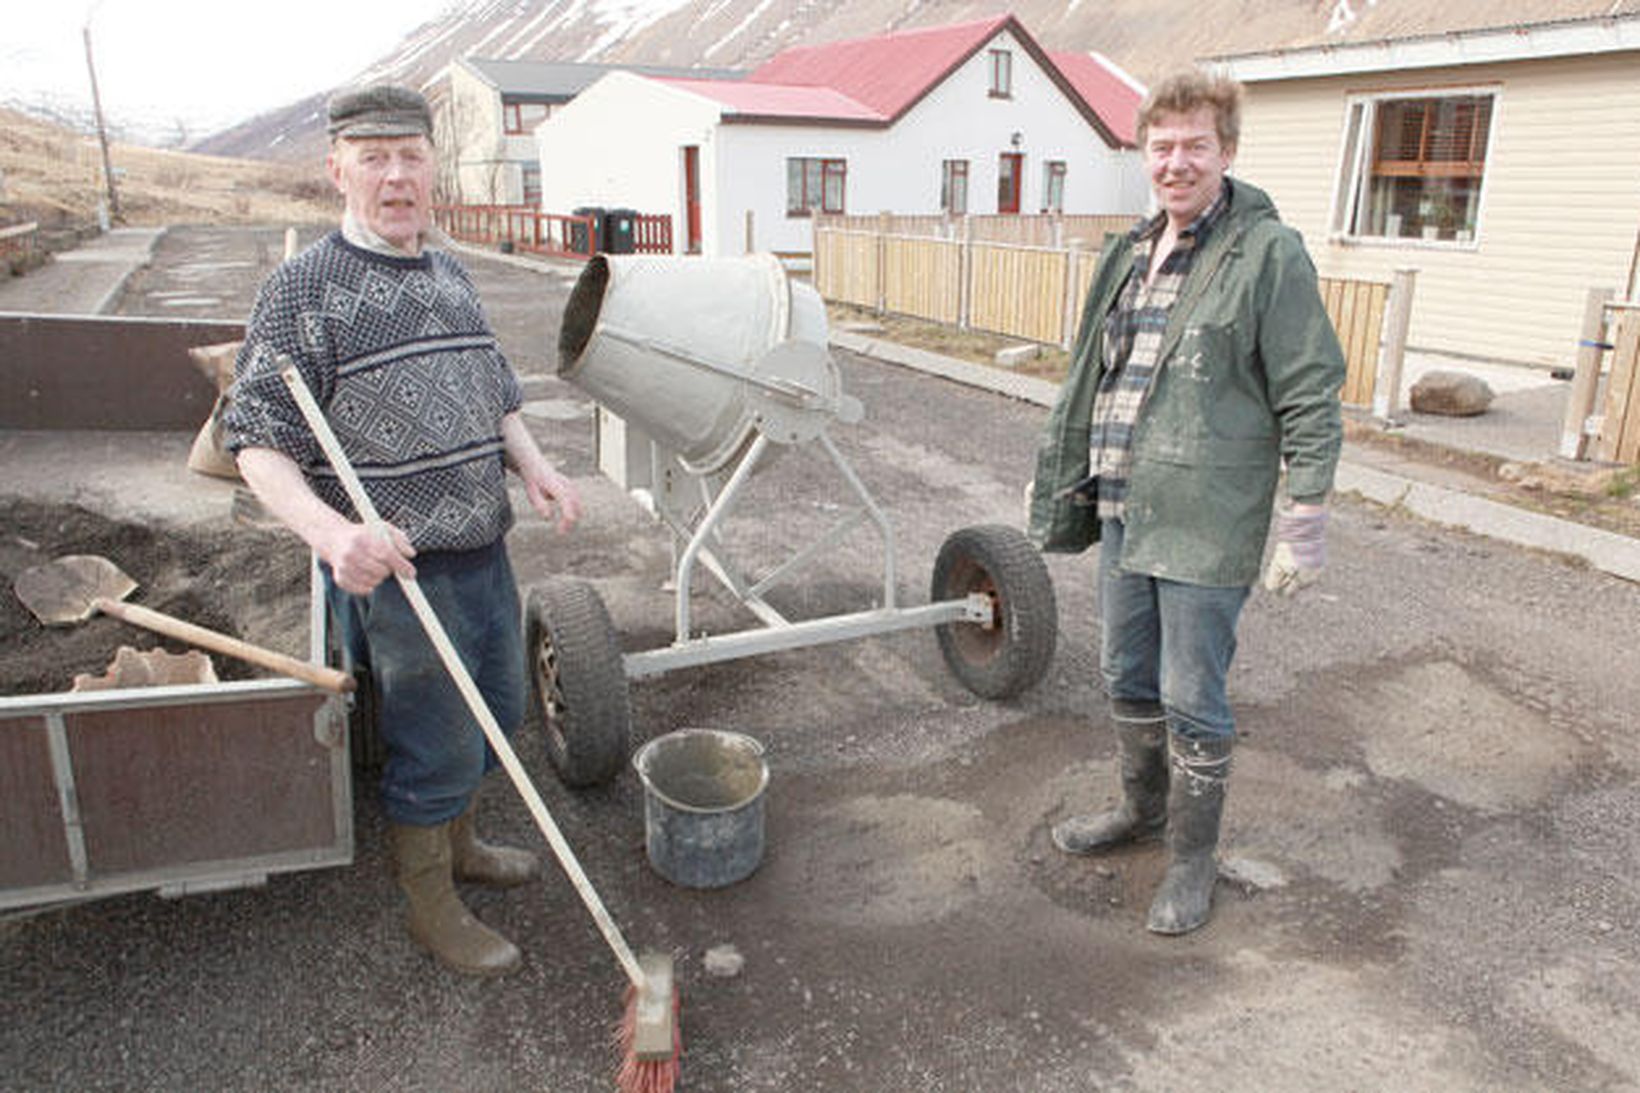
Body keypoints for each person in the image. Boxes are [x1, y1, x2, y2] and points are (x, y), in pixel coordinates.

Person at [224, 84, 583, 976]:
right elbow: (253, 442)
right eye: (374, 157)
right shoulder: (300, 292)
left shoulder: (448, 271)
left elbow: (495, 389)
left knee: (498, 711)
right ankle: (432, 906)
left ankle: (462, 845)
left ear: (433, 168)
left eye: (410, 156)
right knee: (434, 737)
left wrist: (532, 462)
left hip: (482, 549)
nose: (395, 177)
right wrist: (330, 534)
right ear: (336, 168)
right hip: (398, 572)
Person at [1027, 70, 1345, 936]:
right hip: (1127, 508)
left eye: (1194, 146)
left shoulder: (1266, 254)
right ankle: (1143, 812)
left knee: (1190, 695)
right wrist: (1061, 470)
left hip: (1207, 521)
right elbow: (1094, 378)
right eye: (1160, 147)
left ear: (1226, 153)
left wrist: (1306, 516)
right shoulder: (1130, 251)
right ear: (1144, 155)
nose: (1176, 163)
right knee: (1124, 675)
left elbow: (1311, 390)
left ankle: (1192, 862)